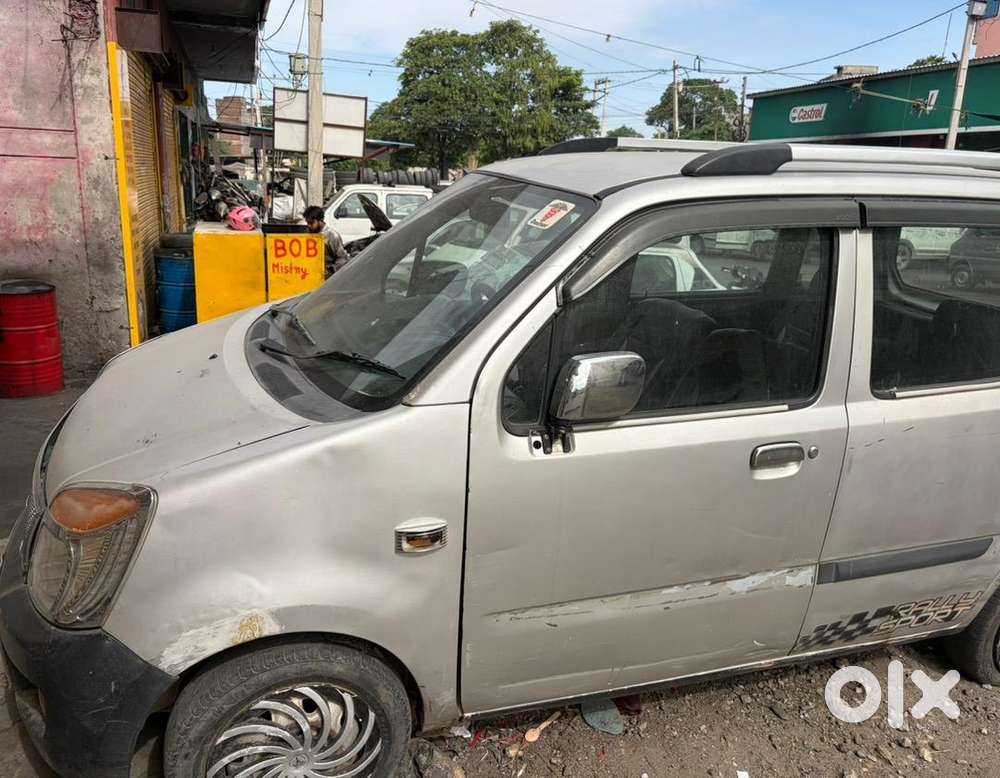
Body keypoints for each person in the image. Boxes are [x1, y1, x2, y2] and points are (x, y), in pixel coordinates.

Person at [303, 205, 349, 277]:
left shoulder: (332, 235)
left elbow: (342, 258)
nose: (308, 225)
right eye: (307, 223)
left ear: (320, 220)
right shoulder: (308, 233)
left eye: (311, 223)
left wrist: (332, 270)